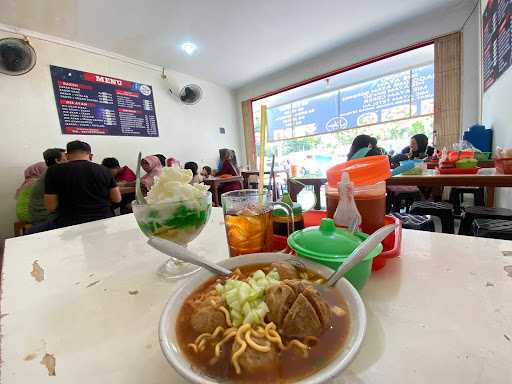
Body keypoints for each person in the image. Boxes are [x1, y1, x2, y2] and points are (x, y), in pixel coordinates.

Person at [44, 140, 121, 228]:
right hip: (103, 221)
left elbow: (51, 207)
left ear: (67, 155)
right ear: (90, 155)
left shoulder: (53, 171)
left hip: (69, 224)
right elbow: (117, 199)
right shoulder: (104, 170)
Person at [27, 148, 66, 231]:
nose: (69, 161)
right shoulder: (55, 174)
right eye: (65, 159)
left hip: (40, 215)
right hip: (44, 217)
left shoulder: (49, 173)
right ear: (57, 161)